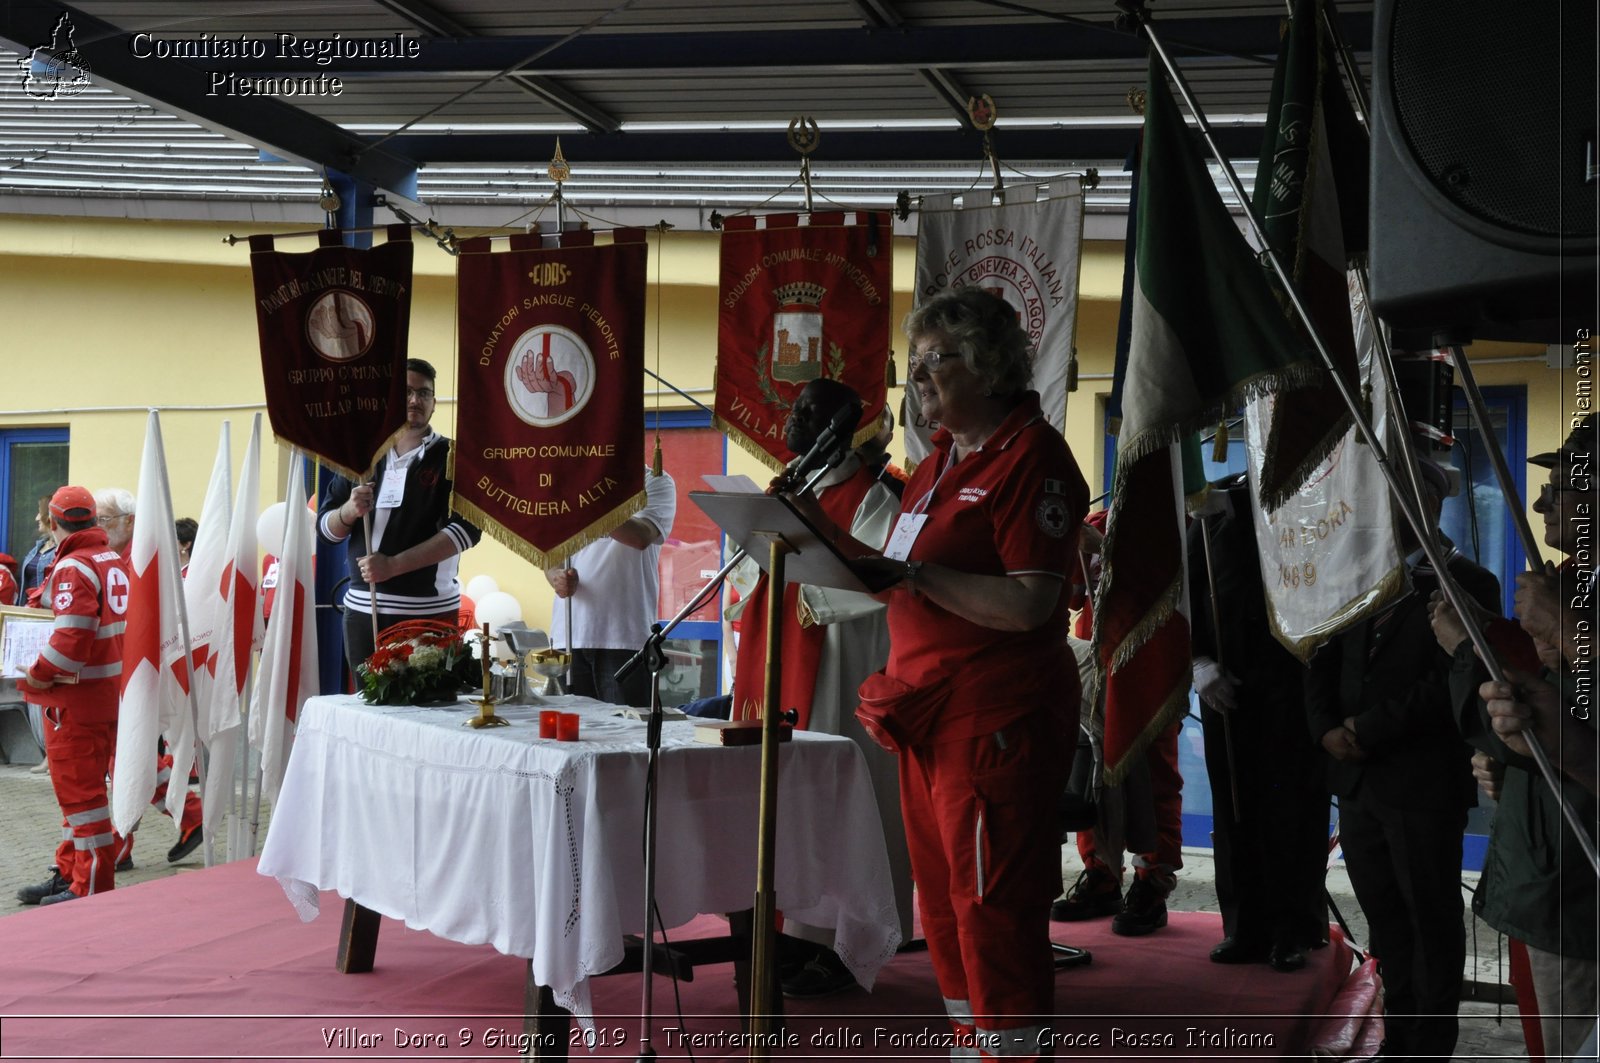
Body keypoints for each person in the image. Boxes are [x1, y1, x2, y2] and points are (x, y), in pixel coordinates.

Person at [858, 287, 1089, 1056]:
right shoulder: (935, 465)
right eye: (914, 363)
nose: (918, 378)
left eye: (936, 361)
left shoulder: (1032, 457)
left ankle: (1011, 1049)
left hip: (994, 722)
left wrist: (916, 577)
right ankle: (973, 1042)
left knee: (992, 902)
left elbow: (1031, 605)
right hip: (925, 717)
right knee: (947, 908)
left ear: (988, 367)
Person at [1304, 460, 1499, 1063]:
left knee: (1431, 923)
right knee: (1385, 919)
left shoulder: (1470, 582)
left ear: (1431, 504)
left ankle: (1429, 1047)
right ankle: (1399, 1033)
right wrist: (1325, 729)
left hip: (1420, 783)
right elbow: (1320, 651)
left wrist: (1368, 727)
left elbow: (1452, 681)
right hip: (1359, 780)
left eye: (1402, 500)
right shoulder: (1360, 573)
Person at [728, 376, 911, 997]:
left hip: (837, 662)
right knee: (781, 799)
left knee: (834, 798)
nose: (793, 421)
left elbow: (885, 575)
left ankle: (839, 941)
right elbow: (751, 575)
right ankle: (782, 933)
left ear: (843, 427)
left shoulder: (876, 494)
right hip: (773, 654)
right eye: (795, 409)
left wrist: (811, 594)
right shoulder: (789, 489)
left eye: (810, 412)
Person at [1432, 416, 1599, 1062]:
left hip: (1579, 895)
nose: (1541, 505)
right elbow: (1553, 719)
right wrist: (1515, 760)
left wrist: (1469, 655)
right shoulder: (1571, 582)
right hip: (1544, 873)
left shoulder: (1570, 602)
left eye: (1564, 488)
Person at [1187, 475, 1326, 971]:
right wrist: (1197, 662)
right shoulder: (1211, 513)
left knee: (1292, 810)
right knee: (1234, 808)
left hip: (1292, 686)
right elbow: (1185, 595)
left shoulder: (1304, 501)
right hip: (1226, 683)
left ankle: (1295, 928)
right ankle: (1244, 926)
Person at [1051, 508, 1187, 939]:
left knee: (1155, 777)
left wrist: (1107, 552)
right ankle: (1101, 873)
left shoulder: (1173, 520)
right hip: (1097, 667)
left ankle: (1153, 879)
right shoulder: (1096, 520)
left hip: (1151, 666)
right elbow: (1068, 597)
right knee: (1090, 772)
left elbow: (1168, 582)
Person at [318, 358, 482, 676]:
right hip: (363, 612)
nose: (414, 400)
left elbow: (467, 531)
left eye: (424, 393)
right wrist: (349, 511)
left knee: (424, 713)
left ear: (434, 403)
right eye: (406, 392)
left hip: (428, 614)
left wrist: (393, 566)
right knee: (369, 716)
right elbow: (326, 530)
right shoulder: (360, 455)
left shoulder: (454, 458)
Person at [16, 487, 127, 905]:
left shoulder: (74, 566)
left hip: (75, 699)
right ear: (93, 521)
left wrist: (39, 673)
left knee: (83, 800)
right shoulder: (109, 558)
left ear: (57, 522)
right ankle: (70, 869)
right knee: (78, 797)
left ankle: (91, 885)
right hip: (105, 693)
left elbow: (72, 636)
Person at [92, 488, 206, 868]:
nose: (98, 526)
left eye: (105, 519)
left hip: (140, 670)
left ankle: (122, 842)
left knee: (124, 754)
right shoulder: (113, 557)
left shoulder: (141, 558)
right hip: (120, 669)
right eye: (95, 519)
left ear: (130, 521)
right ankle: (185, 816)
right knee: (124, 754)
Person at [543, 467, 677, 708]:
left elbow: (641, 536)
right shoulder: (569, 481)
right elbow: (550, 551)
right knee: (569, 736)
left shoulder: (654, 480)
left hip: (624, 637)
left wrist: (590, 498)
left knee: (626, 736)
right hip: (570, 633)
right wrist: (556, 577)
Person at [18, 494, 57, 771]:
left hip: (48, 624)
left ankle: (51, 752)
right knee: (31, 687)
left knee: (47, 688)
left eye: (40, 513)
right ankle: (46, 748)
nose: (35, 519)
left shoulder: (61, 552)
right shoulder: (38, 548)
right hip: (28, 622)